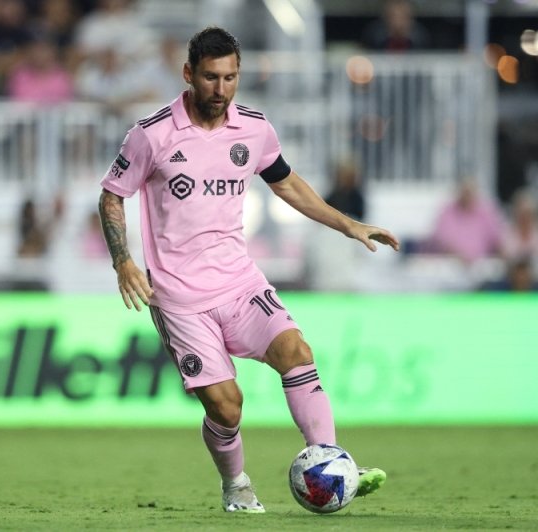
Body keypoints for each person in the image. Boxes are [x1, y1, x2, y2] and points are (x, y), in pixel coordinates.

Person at [98, 27, 399, 513]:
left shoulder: (254, 128)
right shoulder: (151, 134)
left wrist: (348, 225)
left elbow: (287, 183)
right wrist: (123, 261)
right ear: (189, 74)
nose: (221, 89)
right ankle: (236, 483)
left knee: (296, 351)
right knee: (226, 404)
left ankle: (330, 460)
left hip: (240, 283)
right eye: (212, 78)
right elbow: (113, 195)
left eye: (231, 78)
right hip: (180, 298)